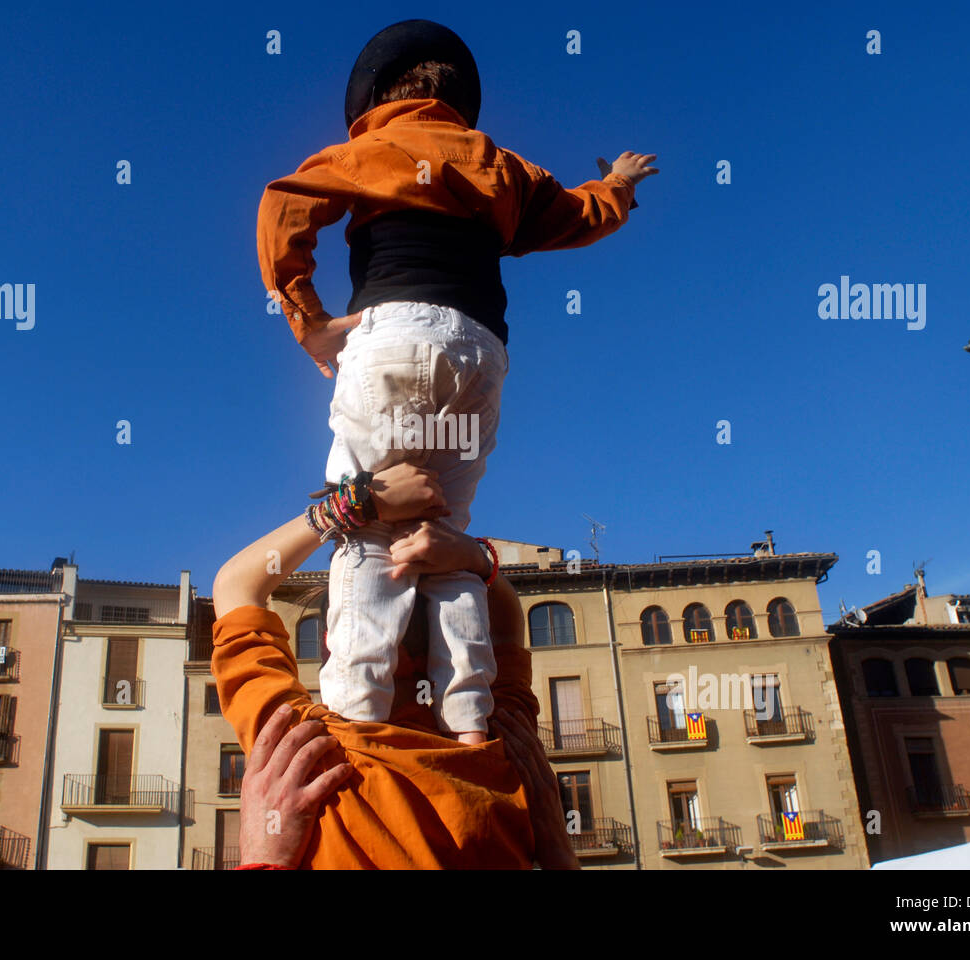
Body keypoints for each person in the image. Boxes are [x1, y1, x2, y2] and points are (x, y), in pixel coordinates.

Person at [257, 18, 659, 744]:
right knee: (443, 536)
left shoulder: (368, 147)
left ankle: (356, 720)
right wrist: (619, 186)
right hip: (479, 350)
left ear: (381, 96)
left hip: (394, 334)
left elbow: (283, 205)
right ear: (455, 98)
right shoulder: (501, 165)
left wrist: (306, 318)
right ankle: (472, 722)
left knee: (369, 534)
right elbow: (578, 215)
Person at [211, 463, 579, 868]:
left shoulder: (306, 756)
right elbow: (508, 628)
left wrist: (352, 506)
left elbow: (234, 585)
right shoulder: (506, 749)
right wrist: (474, 559)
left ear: (331, 642)